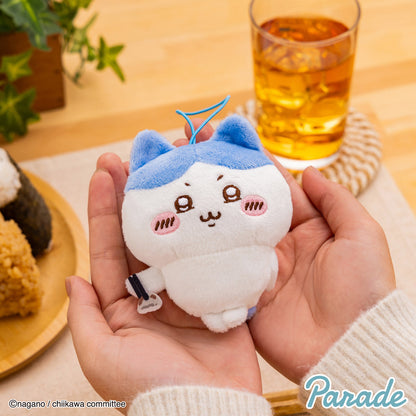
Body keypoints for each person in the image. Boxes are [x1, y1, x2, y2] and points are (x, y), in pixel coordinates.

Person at [66, 120, 416, 415]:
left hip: (230, 288)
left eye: (231, 195)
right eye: (183, 204)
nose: (209, 213)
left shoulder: (265, 246)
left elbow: (155, 277)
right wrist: (374, 357)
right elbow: (155, 275)